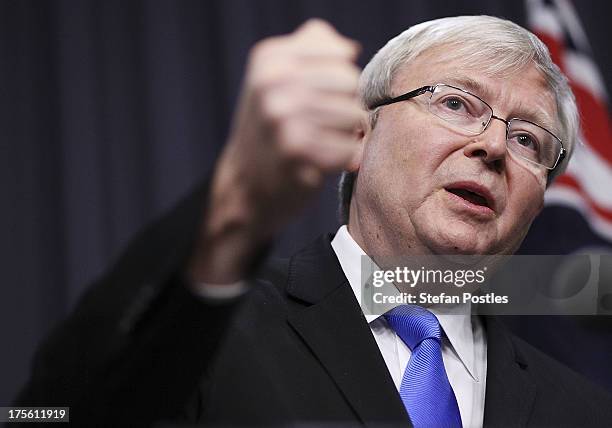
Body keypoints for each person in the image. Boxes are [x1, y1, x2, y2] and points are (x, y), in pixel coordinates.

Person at [16, 15, 612, 427]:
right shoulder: (211, 327)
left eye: (529, 139)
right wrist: (234, 204)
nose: (492, 146)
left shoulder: (585, 411)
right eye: (455, 103)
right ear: (359, 130)